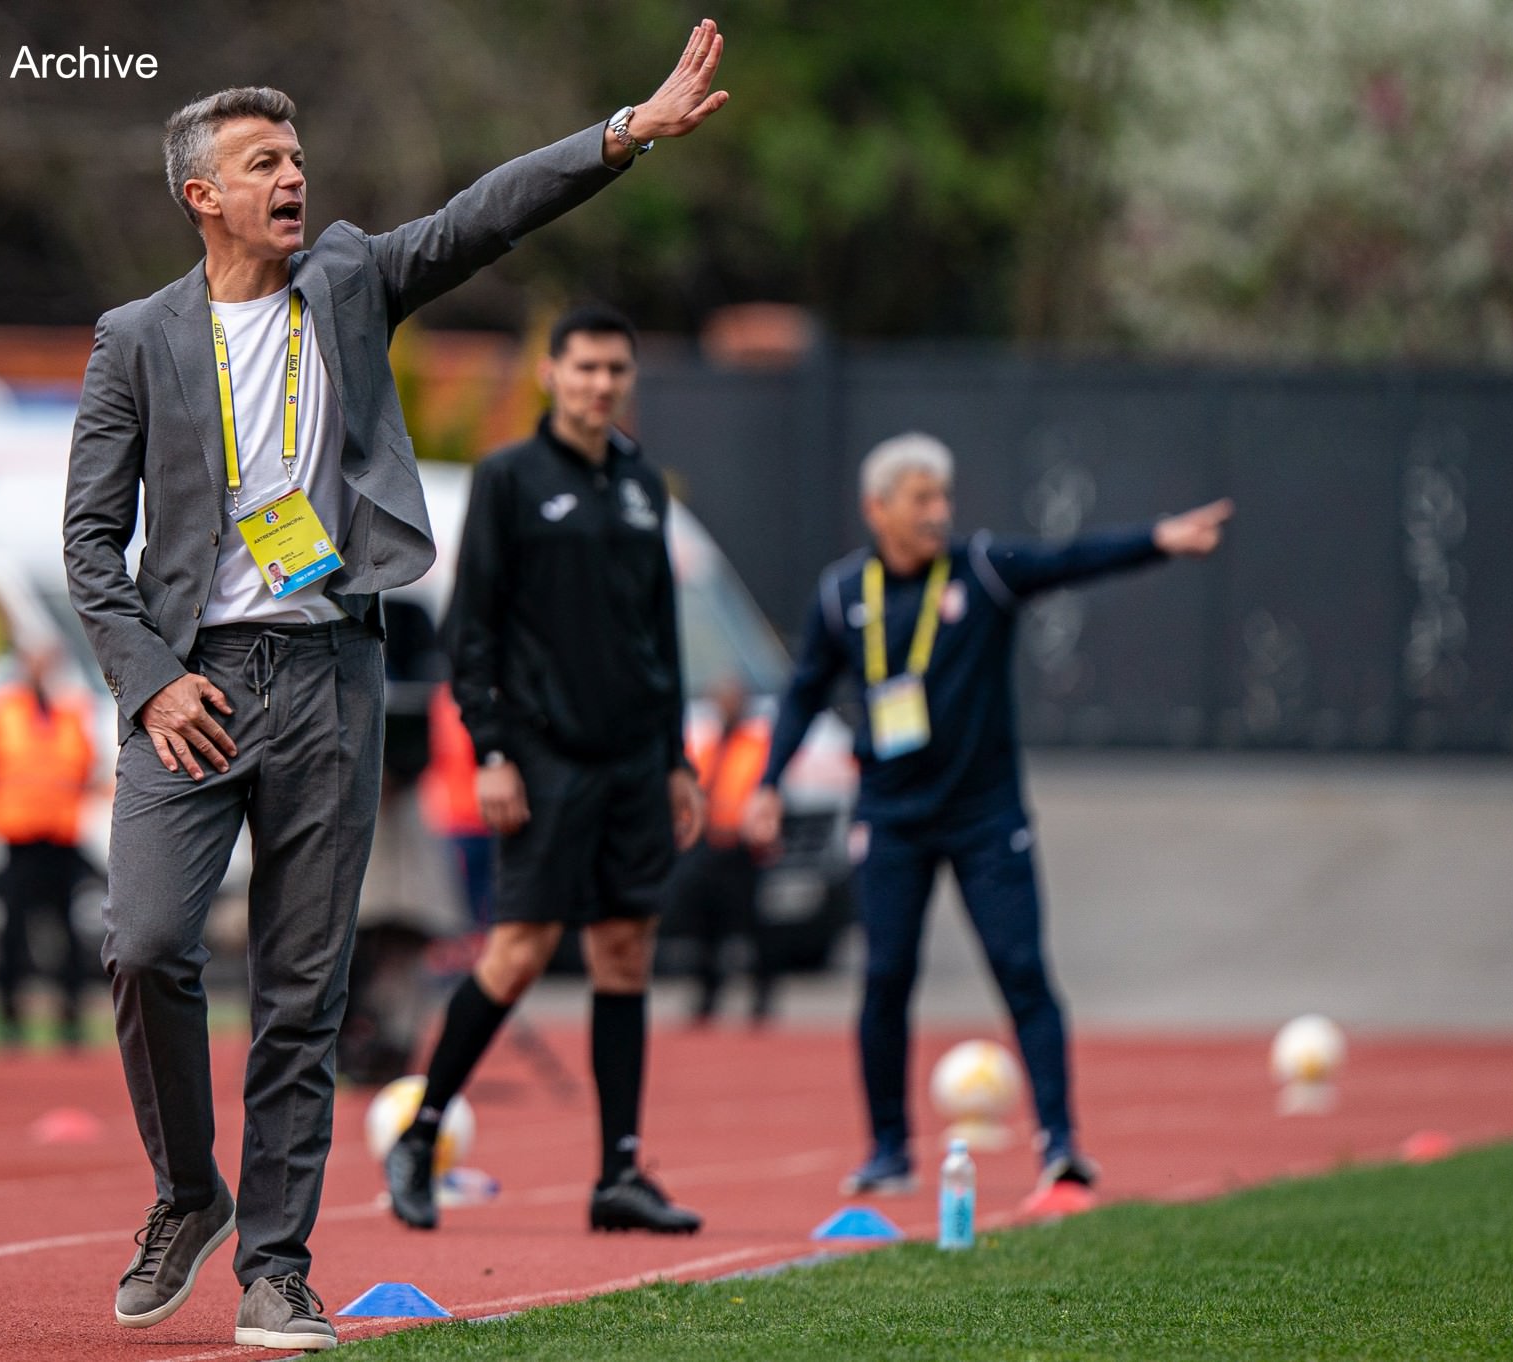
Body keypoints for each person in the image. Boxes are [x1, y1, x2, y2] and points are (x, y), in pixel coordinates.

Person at [63, 26, 728, 1349]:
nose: (291, 175)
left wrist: (621, 133)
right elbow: (90, 541)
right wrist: (148, 686)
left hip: (333, 676)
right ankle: (188, 1190)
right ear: (204, 196)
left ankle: (277, 1268)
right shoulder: (135, 339)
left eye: (296, 154)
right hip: (191, 689)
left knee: (306, 991)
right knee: (143, 942)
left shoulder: (353, 277)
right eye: (262, 162)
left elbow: (484, 216)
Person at [743, 433, 1231, 1216]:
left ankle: (1061, 1145)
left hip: (985, 817)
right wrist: (770, 782)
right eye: (921, 499)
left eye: (944, 497)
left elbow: (1070, 559)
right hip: (891, 821)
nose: (939, 513)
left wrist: (1160, 541)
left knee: (1023, 971)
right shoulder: (841, 596)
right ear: (877, 509)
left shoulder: (984, 571)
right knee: (883, 980)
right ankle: (888, 1150)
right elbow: (803, 692)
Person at [381, 303, 707, 1236]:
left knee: (624, 954)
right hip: (544, 760)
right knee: (517, 955)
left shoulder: (644, 485)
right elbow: (467, 630)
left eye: (616, 369)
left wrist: (678, 758)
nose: (601, 384)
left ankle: (618, 1175)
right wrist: (489, 749)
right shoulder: (510, 479)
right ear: (551, 375)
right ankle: (422, 1133)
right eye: (585, 367)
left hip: (637, 763)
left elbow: (660, 636)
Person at [0, 645, 97, 1051]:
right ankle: (10, 1023)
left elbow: (83, 768)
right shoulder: (1, 711)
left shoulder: (71, 713)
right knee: (12, 934)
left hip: (60, 838)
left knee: (66, 934)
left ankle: (70, 1022)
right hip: (19, 838)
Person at [670, 676, 776, 1024]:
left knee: (751, 924)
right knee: (704, 926)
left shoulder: (758, 744)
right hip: (708, 846)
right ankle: (707, 993)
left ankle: (762, 994)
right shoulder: (706, 743)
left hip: (743, 849)